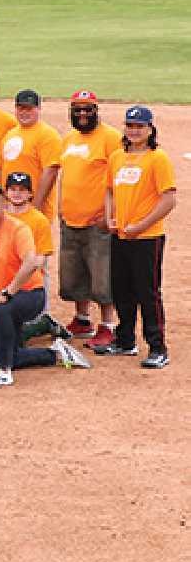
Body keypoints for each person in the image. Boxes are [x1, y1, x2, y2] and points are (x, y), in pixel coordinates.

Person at [0, 183, 87, 387]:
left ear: (4, 205)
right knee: (8, 353)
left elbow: (31, 262)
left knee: (3, 313)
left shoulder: (19, 229)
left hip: (29, 294)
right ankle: (55, 354)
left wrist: (8, 292)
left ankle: (3, 372)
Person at [101, 105, 176, 369]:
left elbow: (169, 199)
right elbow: (109, 190)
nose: (134, 131)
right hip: (120, 235)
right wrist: (110, 218)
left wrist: (141, 225)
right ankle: (125, 340)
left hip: (147, 238)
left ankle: (158, 347)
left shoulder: (158, 158)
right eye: (130, 126)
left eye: (139, 126)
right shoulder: (117, 157)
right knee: (122, 289)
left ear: (150, 129)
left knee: (148, 292)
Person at [55, 90, 121, 346]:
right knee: (74, 273)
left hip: (98, 221)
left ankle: (107, 325)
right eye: (78, 109)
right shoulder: (68, 139)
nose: (83, 114)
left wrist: (110, 215)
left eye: (88, 109)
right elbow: (66, 175)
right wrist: (61, 205)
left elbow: (117, 181)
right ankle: (82, 319)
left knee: (102, 276)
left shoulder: (111, 138)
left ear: (96, 111)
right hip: (70, 218)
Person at [0, 89, 62, 222]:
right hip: (10, 209)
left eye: (29, 109)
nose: (24, 112)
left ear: (38, 109)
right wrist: (1, 200)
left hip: (34, 209)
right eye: (21, 108)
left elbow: (50, 172)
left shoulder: (48, 135)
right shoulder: (10, 134)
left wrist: (35, 207)